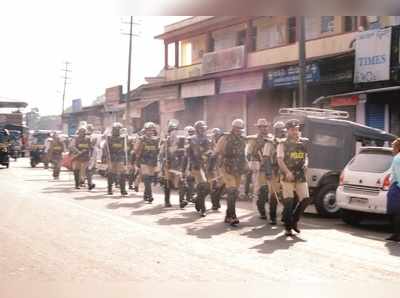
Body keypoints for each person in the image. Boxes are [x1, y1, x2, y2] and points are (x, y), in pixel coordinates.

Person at [277, 119, 310, 236]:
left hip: (300, 174)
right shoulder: (282, 143)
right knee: (289, 201)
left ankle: (294, 221)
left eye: (296, 129)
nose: (295, 132)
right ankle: (287, 227)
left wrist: (306, 164)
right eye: (292, 130)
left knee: (305, 199)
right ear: (288, 131)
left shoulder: (303, 143)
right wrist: (287, 172)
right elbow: (280, 159)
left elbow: (306, 157)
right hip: (288, 174)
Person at [215, 119, 248, 225]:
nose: (238, 130)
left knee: (234, 192)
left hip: (238, 167)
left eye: (240, 128)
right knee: (232, 190)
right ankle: (232, 216)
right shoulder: (225, 138)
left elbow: (243, 154)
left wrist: (246, 165)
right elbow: (217, 152)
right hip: (226, 166)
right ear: (233, 127)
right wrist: (212, 166)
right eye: (237, 128)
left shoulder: (243, 139)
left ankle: (228, 215)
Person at [261, 121, 286, 225]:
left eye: (282, 130)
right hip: (274, 171)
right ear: (275, 131)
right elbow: (266, 157)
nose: (281, 132)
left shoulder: (286, 141)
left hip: (285, 170)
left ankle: (285, 216)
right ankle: (272, 217)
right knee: (273, 194)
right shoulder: (269, 142)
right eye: (279, 130)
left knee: (286, 195)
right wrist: (268, 172)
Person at [160, 120, 188, 208]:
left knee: (181, 181)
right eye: (172, 129)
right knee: (168, 182)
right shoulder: (166, 140)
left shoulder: (181, 139)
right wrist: (164, 160)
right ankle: (167, 201)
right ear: (169, 131)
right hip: (168, 163)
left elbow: (185, 150)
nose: (173, 131)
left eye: (175, 129)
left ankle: (182, 201)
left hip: (178, 163)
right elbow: (161, 153)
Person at [187, 121, 213, 217]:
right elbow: (196, 153)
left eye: (204, 128)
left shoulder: (207, 139)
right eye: (201, 128)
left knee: (209, 188)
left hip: (206, 165)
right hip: (196, 165)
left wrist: (211, 154)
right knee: (203, 186)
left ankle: (197, 199)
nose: (203, 130)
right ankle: (203, 209)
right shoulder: (193, 139)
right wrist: (207, 154)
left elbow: (210, 151)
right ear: (197, 129)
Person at [247, 118, 270, 220]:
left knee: (268, 190)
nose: (263, 128)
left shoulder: (270, 138)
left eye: (265, 126)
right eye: (261, 127)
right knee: (259, 189)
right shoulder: (254, 139)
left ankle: (266, 209)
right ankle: (259, 210)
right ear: (258, 128)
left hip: (270, 166)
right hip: (258, 166)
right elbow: (249, 153)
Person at [135, 122, 160, 203]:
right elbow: (137, 150)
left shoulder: (156, 139)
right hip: (144, 161)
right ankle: (150, 195)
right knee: (146, 178)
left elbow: (158, 150)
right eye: (148, 130)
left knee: (149, 179)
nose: (150, 132)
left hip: (153, 161)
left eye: (152, 130)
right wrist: (137, 160)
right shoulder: (141, 139)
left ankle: (146, 195)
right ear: (145, 131)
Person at [105, 123, 128, 196]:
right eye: (115, 129)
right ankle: (109, 189)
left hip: (120, 157)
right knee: (111, 173)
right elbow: (105, 147)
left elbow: (126, 147)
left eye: (118, 129)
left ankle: (123, 189)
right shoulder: (109, 137)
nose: (116, 131)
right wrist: (106, 157)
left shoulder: (123, 138)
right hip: (111, 157)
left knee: (122, 173)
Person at [386, 138, 400, 242]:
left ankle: (397, 235)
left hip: (397, 187)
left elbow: (398, 175)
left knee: (394, 212)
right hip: (396, 186)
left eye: (393, 147)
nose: (392, 149)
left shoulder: (397, 158)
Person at [209, 127, 225, 210]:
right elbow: (210, 155)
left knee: (222, 185)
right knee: (214, 186)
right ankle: (215, 204)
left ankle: (216, 202)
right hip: (214, 167)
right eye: (215, 135)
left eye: (217, 134)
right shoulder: (210, 143)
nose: (216, 136)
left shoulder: (223, 141)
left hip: (222, 166)